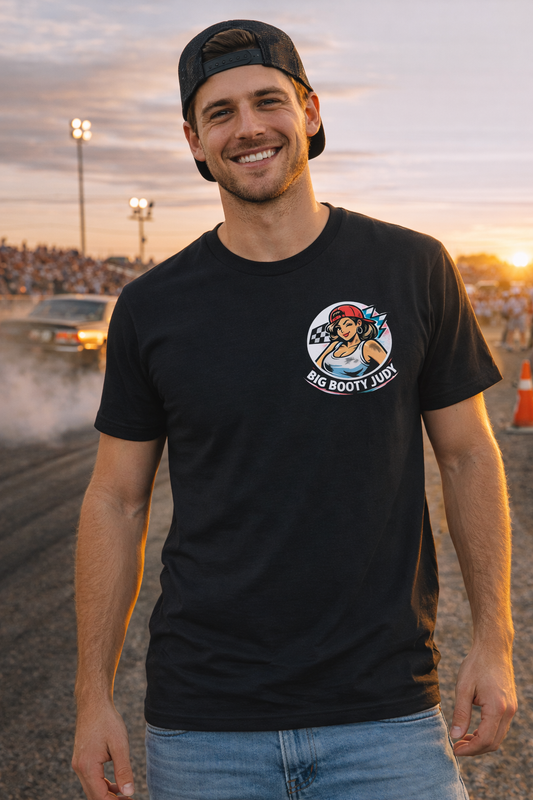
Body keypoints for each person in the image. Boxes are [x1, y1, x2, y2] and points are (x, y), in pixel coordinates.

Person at [72, 19, 517, 800]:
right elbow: (115, 498)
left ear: (308, 112)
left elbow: (468, 455)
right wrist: (90, 699)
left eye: (266, 101)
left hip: (385, 716)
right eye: (219, 113)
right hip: (205, 724)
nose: (247, 127)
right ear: (194, 140)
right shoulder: (150, 306)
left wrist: (495, 640)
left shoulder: (410, 267)